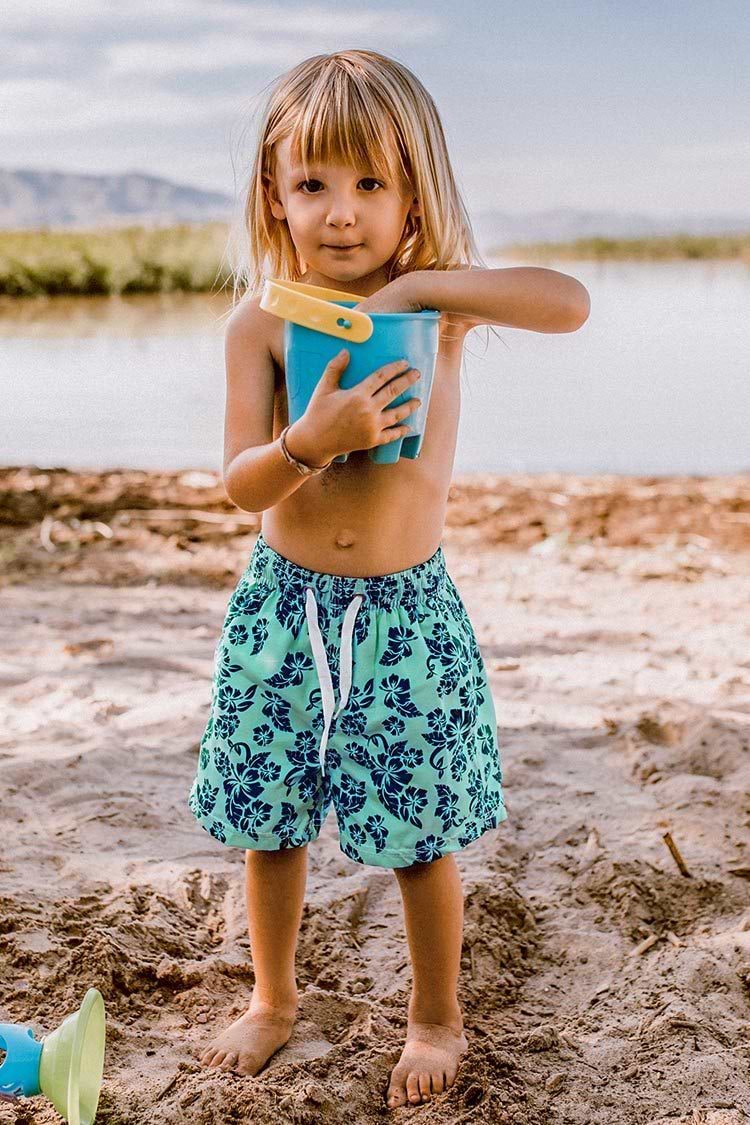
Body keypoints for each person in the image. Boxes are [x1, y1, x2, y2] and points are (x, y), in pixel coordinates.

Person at [187, 48, 590, 1110]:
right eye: (313, 182)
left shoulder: (433, 313)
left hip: (406, 613)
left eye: (372, 183)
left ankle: (435, 1017)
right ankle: (274, 998)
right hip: (285, 607)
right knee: (270, 821)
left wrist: (418, 284)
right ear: (272, 192)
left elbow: (569, 302)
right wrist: (309, 442)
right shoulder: (263, 325)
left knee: (418, 833)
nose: (341, 214)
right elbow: (238, 483)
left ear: (415, 195)